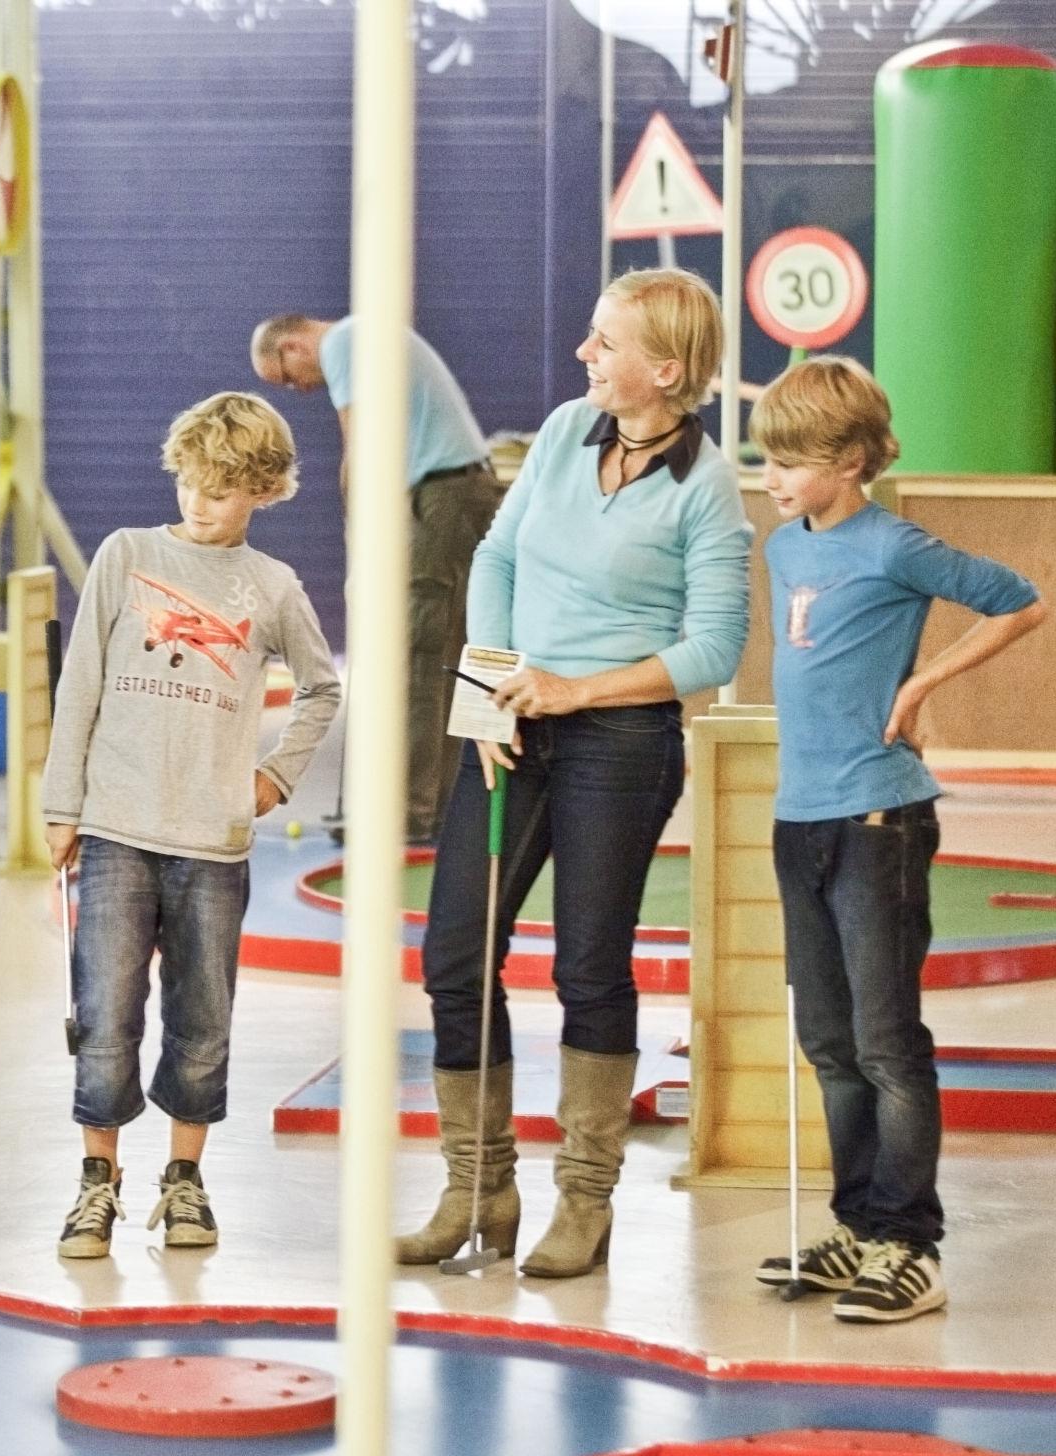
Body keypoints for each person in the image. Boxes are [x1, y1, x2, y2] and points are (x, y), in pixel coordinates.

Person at [397, 268, 751, 1278]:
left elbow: (711, 650)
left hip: (620, 744)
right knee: (454, 955)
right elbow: (497, 562)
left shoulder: (704, 486)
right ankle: (475, 1190)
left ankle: (582, 1204)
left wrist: (573, 691)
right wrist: (491, 697)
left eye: (604, 342)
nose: (582, 355)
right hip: (511, 723)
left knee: (587, 968)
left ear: (665, 370)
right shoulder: (561, 434)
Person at [749, 356, 1045, 1322]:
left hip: (880, 818)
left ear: (851, 462)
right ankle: (858, 1225)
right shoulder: (787, 547)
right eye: (769, 458)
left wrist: (919, 688)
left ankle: (911, 1243)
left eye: (793, 461)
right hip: (801, 820)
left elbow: (1019, 600)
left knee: (885, 1042)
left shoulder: (896, 545)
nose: (774, 478)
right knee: (828, 1042)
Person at [42, 392, 340, 1259]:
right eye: (191, 481)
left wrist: (277, 777)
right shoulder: (125, 555)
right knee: (103, 1012)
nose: (200, 501)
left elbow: (324, 688)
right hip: (115, 828)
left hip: (212, 842)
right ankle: (97, 1181)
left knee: (202, 1019)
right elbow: (81, 684)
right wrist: (63, 805)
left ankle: (185, 1181)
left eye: (221, 488)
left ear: (262, 491)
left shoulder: (273, 587)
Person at [250, 314, 500, 841]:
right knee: (445, 655)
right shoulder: (368, 334)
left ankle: (405, 815)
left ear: (294, 345)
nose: (298, 389)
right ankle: (437, 807)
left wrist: (358, 535)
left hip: (442, 500)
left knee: (416, 656)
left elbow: (360, 448)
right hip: (459, 495)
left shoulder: (343, 341)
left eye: (289, 378)